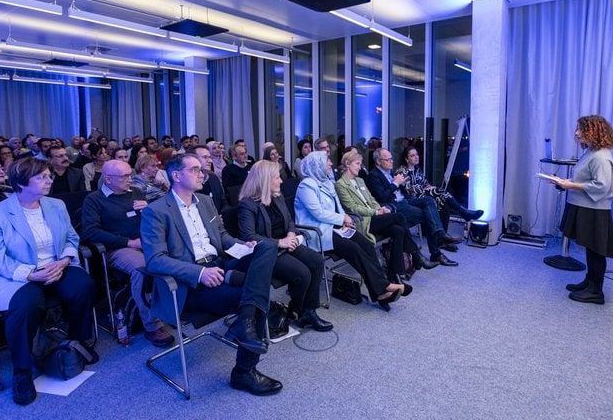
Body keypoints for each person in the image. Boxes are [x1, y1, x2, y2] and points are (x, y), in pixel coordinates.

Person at [140, 153, 282, 396]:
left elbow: (222, 237)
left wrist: (243, 246)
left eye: (201, 169)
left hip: (220, 263)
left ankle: (243, 323)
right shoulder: (156, 211)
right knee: (255, 296)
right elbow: (155, 260)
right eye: (194, 170)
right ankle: (243, 372)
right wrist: (200, 273)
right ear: (176, 175)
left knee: (266, 247)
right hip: (192, 283)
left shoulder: (205, 201)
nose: (202, 174)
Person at [0, 157, 97, 405]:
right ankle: (21, 370)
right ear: (22, 182)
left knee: (84, 286)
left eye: (48, 175)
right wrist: (31, 274)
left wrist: (64, 261)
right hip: (19, 275)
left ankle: (77, 342)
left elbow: (71, 238)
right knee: (24, 307)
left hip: (56, 265)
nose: (49, 180)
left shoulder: (56, 205)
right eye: (42, 177)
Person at [294, 151, 411, 311]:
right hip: (318, 232)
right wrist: (342, 219)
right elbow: (318, 213)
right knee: (353, 248)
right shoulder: (306, 185)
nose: (330, 164)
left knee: (367, 244)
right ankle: (383, 288)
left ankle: (380, 292)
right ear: (317, 165)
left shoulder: (327, 182)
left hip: (335, 227)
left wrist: (345, 218)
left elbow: (338, 207)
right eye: (327, 161)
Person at [81, 160, 175, 347]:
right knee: (144, 269)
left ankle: (172, 310)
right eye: (124, 176)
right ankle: (152, 325)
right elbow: (89, 231)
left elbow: (151, 220)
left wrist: (148, 208)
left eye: (130, 174)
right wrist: (128, 242)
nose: (130, 179)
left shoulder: (136, 192)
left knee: (178, 254)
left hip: (145, 242)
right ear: (108, 179)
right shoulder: (94, 200)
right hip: (117, 248)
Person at [238, 160, 332, 331]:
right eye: (277, 177)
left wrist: (290, 233)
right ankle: (297, 311)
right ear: (265, 180)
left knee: (317, 261)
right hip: (267, 252)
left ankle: (309, 311)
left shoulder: (277, 196)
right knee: (302, 273)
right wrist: (280, 242)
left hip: (286, 243)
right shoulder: (247, 204)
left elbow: (289, 220)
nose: (281, 181)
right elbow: (248, 236)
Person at [547, 115, 613, 305]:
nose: (576, 133)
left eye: (580, 129)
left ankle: (596, 291)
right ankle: (590, 281)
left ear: (594, 131)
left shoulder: (601, 157)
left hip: (594, 209)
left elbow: (601, 186)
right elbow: (585, 180)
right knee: (590, 247)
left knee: (596, 249)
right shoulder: (591, 152)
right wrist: (563, 183)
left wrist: (571, 186)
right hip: (584, 205)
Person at [336, 152, 438, 277]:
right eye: (357, 164)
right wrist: (376, 212)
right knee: (400, 216)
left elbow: (372, 199)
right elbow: (352, 207)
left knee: (398, 230)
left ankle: (395, 274)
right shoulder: (340, 184)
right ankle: (416, 255)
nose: (360, 167)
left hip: (375, 216)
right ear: (347, 164)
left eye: (360, 164)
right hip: (363, 221)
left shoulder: (360, 180)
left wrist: (381, 209)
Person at [367, 148, 461, 266]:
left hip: (405, 199)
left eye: (392, 158)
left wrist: (401, 185)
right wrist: (395, 183)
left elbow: (399, 190)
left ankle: (440, 235)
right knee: (430, 216)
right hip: (395, 206)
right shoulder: (373, 176)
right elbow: (382, 198)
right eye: (388, 159)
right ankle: (436, 251)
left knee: (429, 200)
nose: (392, 161)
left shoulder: (388, 172)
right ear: (378, 161)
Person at [397, 146, 483, 230]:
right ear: (406, 159)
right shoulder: (402, 171)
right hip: (411, 198)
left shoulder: (417, 169)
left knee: (444, 205)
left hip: (422, 195)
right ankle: (463, 212)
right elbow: (409, 189)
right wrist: (427, 190)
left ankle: (443, 237)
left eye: (416, 154)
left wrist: (429, 187)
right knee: (439, 192)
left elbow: (425, 183)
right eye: (412, 156)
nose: (416, 157)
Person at [187, 145, 226, 213]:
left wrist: (223, 216)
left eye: (210, 157)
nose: (210, 161)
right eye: (205, 157)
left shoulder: (213, 177)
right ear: (193, 159)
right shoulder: (187, 182)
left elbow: (223, 202)